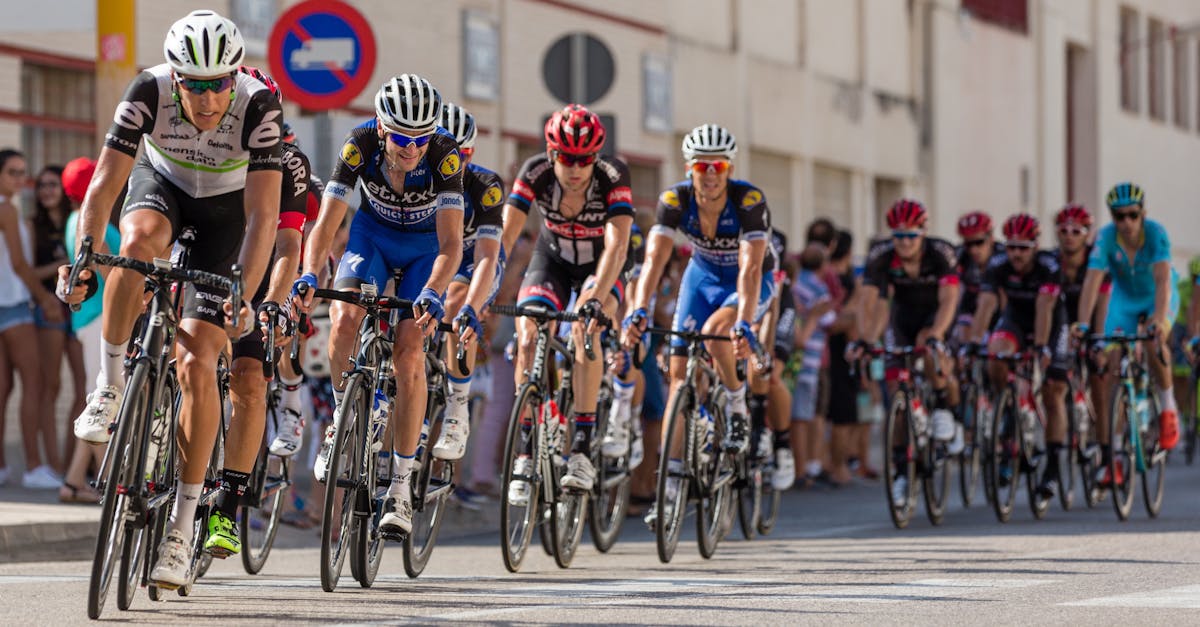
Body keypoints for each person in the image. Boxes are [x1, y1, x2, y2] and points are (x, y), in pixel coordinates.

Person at [57, 10, 283, 587]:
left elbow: (263, 217)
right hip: (164, 189)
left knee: (196, 360)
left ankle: (183, 528)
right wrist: (85, 255)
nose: (207, 99)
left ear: (235, 77)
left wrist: (245, 292)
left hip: (227, 217)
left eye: (218, 84)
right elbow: (105, 184)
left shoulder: (258, 106)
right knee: (135, 242)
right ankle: (108, 388)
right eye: (194, 83)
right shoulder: (146, 90)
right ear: (174, 76)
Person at [295, 74, 464, 537]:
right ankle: (340, 419)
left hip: (425, 250)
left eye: (420, 139)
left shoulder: (445, 155)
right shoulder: (359, 143)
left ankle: (402, 488)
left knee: (409, 351)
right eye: (401, 138)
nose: (411, 148)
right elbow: (326, 225)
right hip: (372, 237)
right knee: (345, 315)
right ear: (381, 127)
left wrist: (432, 290)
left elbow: (452, 243)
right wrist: (311, 272)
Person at [624, 124, 771, 522]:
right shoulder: (675, 199)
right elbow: (653, 262)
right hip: (702, 278)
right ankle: (670, 490)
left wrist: (744, 321)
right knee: (676, 383)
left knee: (716, 333)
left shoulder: (748, 200)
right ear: (690, 168)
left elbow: (751, 268)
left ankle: (737, 406)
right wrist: (639, 307)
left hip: (745, 281)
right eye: (702, 166)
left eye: (718, 166)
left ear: (729, 168)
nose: (710, 175)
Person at [204, 66, 309, 557]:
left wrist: (274, 302)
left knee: (248, 378)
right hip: (208, 261)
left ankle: (226, 506)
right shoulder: (201, 143)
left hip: (263, 272)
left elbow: (289, 243)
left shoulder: (289, 162)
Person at [502, 104, 633, 494]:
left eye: (584, 160)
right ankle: (525, 451)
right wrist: (485, 282)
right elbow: (506, 236)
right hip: (552, 261)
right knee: (527, 335)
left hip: (602, 266)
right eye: (565, 158)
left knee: (585, 329)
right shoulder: (535, 172)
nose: (575, 169)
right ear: (551, 153)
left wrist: (596, 296)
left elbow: (617, 244)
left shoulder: (613, 175)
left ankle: (580, 448)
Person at [854, 199, 961, 507]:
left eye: (911, 236)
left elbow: (949, 299)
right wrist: (863, 339)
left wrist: (937, 335)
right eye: (898, 236)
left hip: (936, 315)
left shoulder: (941, 253)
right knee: (895, 389)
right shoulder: (882, 255)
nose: (904, 242)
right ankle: (901, 470)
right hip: (902, 316)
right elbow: (867, 300)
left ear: (923, 232)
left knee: (930, 349)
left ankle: (943, 407)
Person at [1075, 182, 1180, 488]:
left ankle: (1167, 407)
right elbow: (1092, 283)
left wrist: (1159, 321)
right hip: (1124, 300)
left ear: (1143, 214)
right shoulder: (1106, 238)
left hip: (1155, 296)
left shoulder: (1157, 234)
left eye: (1133, 216)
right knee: (1108, 367)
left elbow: (1162, 281)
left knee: (1152, 341)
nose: (1127, 223)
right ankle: (1115, 458)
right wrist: (1083, 325)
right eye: (1119, 217)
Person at [969, 214, 1066, 498]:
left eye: (1023, 248)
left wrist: (1042, 347)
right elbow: (986, 303)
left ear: (1035, 246)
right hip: (1015, 319)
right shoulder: (997, 264)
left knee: (1053, 390)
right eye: (1011, 247)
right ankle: (1008, 407)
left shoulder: (1049, 265)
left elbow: (1045, 306)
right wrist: (975, 341)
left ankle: (1052, 467)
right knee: (994, 357)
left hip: (1049, 322)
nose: (1016, 254)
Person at [429, 102, 505, 462]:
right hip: (434, 259)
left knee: (456, 303)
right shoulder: (417, 175)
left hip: (475, 261)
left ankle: (457, 406)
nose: (454, 164)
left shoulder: (485, 185)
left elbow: (488, 256)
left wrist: (474, 308)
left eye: (464, 154)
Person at [58, 157, 120, 503]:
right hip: (101, 317)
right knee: (99, 402)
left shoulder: (74, 218)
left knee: (95, 399)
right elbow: (107, 265)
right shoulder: (90, 218)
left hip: (88, 318)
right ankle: (109, 484)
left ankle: (73, 481)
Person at [0, 149, 56, 489]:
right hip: (16, 305)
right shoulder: (6, 208)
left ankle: (3, 466)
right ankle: (34, 467)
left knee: (3, 389)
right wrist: (45, 298)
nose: (21, 179)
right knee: (33, 384)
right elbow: (20, 265)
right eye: (12, 172)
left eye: (23, 172)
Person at [31, 165, 88, 476]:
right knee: (50, 387)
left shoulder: (75, 222)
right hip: (50, 311)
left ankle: (71, 465)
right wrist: (59, 265)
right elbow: (26, 272)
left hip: (78, 311)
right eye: (42, 186)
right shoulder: (32, 227)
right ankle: (51, 465)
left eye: (53, 184)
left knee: (83, 388)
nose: (47, 190)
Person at [790, 243, 834, 487]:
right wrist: (815, 314)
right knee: (803, 416)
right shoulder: (818, 288)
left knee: (801, 415)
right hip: (808, 360)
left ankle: (803, 467)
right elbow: (829, 318)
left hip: (797, 360)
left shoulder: (797, 284)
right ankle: (802, 469)